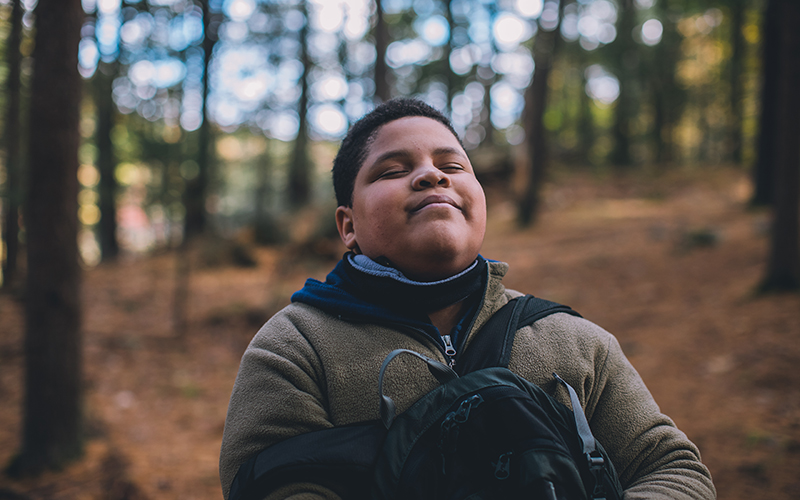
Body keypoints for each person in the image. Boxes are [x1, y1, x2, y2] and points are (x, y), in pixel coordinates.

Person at [219, 98, 716, 500]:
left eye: (452, 165)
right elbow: (274, 487)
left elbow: (672, 470)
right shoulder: (293, 348)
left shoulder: (577, 342)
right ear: (348, 226)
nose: (432, 176)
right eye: (393, 170)